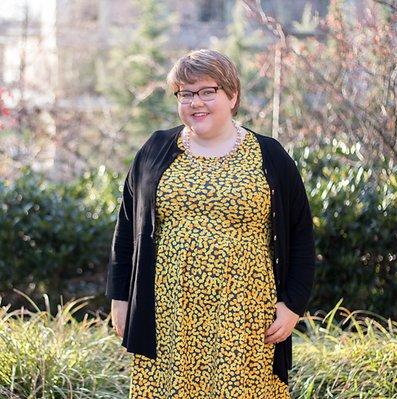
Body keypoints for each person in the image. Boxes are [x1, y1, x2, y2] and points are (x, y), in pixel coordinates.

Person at [105, 49, 316, 398]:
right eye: (185, 94)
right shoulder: (155, 150)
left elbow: (301, 233)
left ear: (231, 95)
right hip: (168, 315)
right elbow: (127, 227)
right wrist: (120, 300)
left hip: (246, 316)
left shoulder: (270, 156)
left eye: (207, 91)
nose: (195, 102)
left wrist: (293, 304)